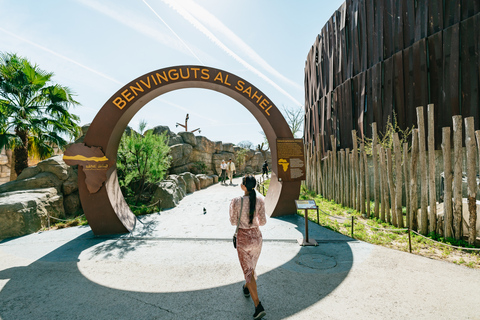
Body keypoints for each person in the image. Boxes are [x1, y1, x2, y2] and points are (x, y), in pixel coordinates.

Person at [229, 175, 267, 319]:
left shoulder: (236, 201)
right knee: (251, 269)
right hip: (257, 238)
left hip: (243, 239)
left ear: (244, 186)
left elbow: (233, 221)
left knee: (248, 271)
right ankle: (246, 288)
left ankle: (258, 305)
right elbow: (262, 222)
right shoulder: (260, 200)